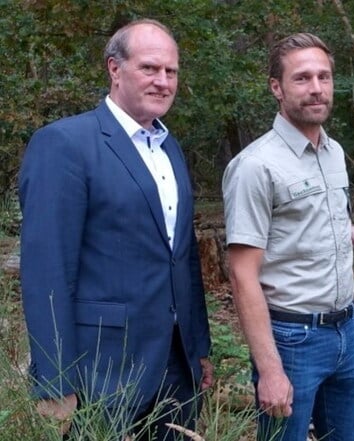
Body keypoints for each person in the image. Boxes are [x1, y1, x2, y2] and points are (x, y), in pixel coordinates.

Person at [18, 19, 213, 440]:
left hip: (176, 369)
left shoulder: (169, 148)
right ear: (114, 68)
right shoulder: (65, 144)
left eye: (171, 72)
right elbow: (46, 273)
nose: (163, 82)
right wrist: (54, 381)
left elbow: (182, 255)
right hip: (101, 371)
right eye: (149, 68)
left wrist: (199, 348)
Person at [222, 32, 354, 441]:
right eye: (302, 78)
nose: (317, 88)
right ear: (276, 88)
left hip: (347, 332)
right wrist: (270, 370)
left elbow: (305, 222)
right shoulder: (255, 166)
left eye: (324, 77)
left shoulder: (333, 152)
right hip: (292, 339)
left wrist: (352, 232)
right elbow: (242, 274)